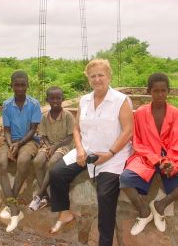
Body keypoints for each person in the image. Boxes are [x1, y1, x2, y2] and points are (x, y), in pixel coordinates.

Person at [49, 59, 133, 246]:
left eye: (100, 75)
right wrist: (79, 149)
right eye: (92, 76)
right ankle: (65, 212)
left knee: (105, 196)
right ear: (88, 79)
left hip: (113, 156)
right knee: (56, 173)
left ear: (109, 76)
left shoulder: (121, 100)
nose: (97, 80)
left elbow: (128, 130)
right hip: (86, 150)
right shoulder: (84, 100)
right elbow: (77, 129)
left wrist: (110, 153)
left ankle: (105, 242)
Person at [120, 72, 178, 235]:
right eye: (156, 91)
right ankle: (144, 212)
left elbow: (176, 141)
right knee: (124, 179)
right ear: (148, 91)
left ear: (168, 91)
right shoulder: (140, 113)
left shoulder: (175, 113)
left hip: (171, 158)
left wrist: (169, 162)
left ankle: (160, 206)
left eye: (163, 90)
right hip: (147, 157)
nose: (160, 94)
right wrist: (155, 159)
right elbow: (137, 141)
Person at [0, 70, 42, 232]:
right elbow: (6, 130)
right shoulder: (7, 105)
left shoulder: (34, 104)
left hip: (29, 141)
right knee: (1, 162)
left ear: (27, 85)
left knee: (23, 160)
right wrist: (10, 145)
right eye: (17, 85)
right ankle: (14, 210)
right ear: (12, 86)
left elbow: (33, 129)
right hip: (10, 140)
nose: (20, 88)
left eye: (23, 85)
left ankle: (10, 205)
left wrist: (19, 144)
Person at [28, 86, 75, 211]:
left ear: (62, 99)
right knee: (37, 161)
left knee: (53, 162)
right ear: (47, 99)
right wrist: (49, 146)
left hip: (64, 145)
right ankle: (46, 197)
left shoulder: (68, 116)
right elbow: (43, 136)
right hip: (49, 144)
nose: (55, 101)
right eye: (52, 98)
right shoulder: (44, 117)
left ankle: (39, 194)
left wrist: (55, 146)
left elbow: (70, 137)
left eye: (58, 98)